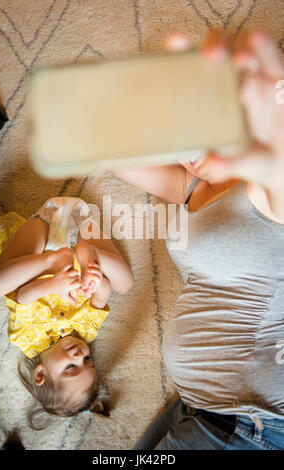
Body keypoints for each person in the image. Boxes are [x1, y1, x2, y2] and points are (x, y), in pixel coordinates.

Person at [114, 30, 284, 449]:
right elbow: (115, 157)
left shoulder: (265, 191)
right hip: (214, 410)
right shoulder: (192, 186)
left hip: (249, 421)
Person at [0, 197, 134, 428]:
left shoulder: (28, 340)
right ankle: (92, 251)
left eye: (71, 368)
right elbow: (103, 295)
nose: (79, 356)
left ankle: (51, 260)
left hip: (41, 241)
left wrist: (53, 282)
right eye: (87, 360)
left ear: (41, 374)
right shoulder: (85, 331)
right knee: (124, 285)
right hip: (82, 234)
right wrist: (94, 281)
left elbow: (23, 296)